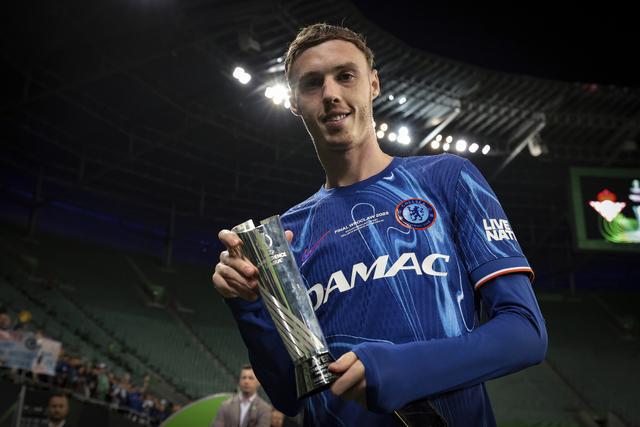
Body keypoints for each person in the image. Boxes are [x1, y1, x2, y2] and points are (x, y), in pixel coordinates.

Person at [212, 23, 548, 426]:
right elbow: (289, 394)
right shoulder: (287, 237)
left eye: (345, 76)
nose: (331, 93)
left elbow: (525, 333)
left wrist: (403, 368)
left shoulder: (447, 179)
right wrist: (249, 304)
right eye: (313, 83)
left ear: (373, 84)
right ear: (295, 103)